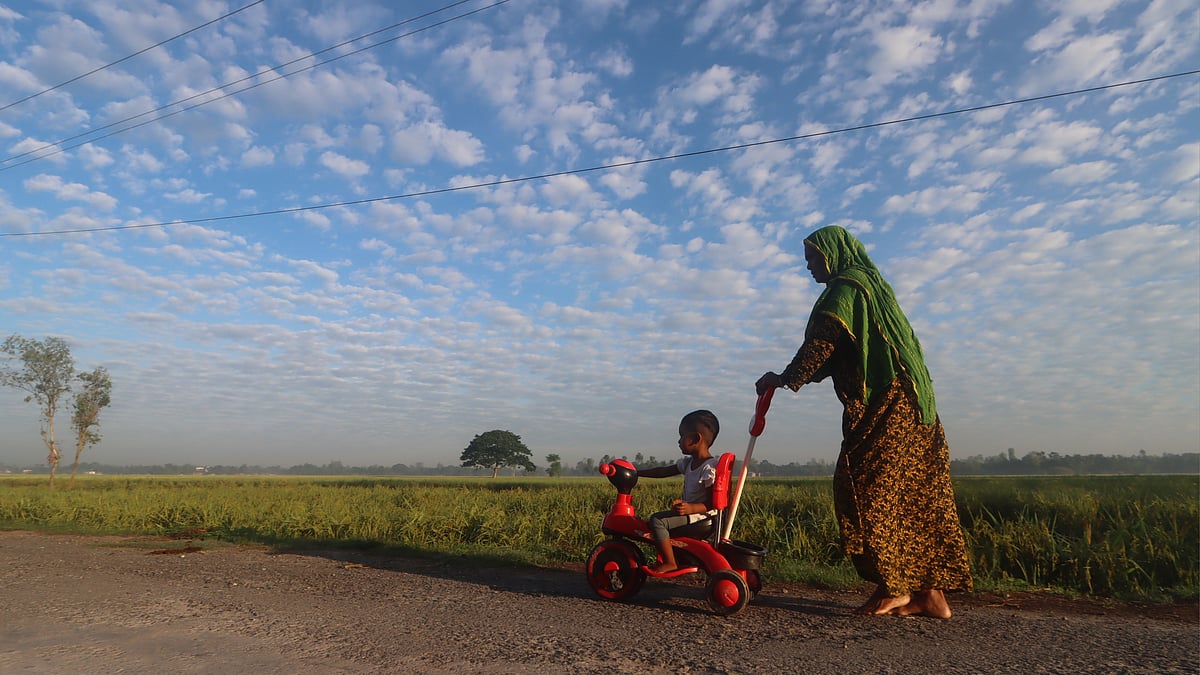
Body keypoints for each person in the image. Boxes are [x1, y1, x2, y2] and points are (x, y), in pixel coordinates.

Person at [756, 225, 973, 619]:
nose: (807, 266)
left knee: (864, 489)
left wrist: (783, 378)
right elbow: (846, 350)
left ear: (833, 254)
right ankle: (930, 594)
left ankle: (895, 587)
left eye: (812, 257)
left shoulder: (846, 290)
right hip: (917, 408)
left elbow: (822, 345)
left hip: (887, 404)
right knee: (914, 496)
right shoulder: (876, 291)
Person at [636, 409, 722, 574]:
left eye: (682, 436)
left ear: (696, 438)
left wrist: (691, 508)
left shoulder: (709, 467)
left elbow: (713, 502)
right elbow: (664, 471)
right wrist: (638, 472)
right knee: (658, 519)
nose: (679, 441)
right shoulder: (690, 463)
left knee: (657, 521)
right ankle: (676, 556)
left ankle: (670, 562)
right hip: (691, 515)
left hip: (701, 518)